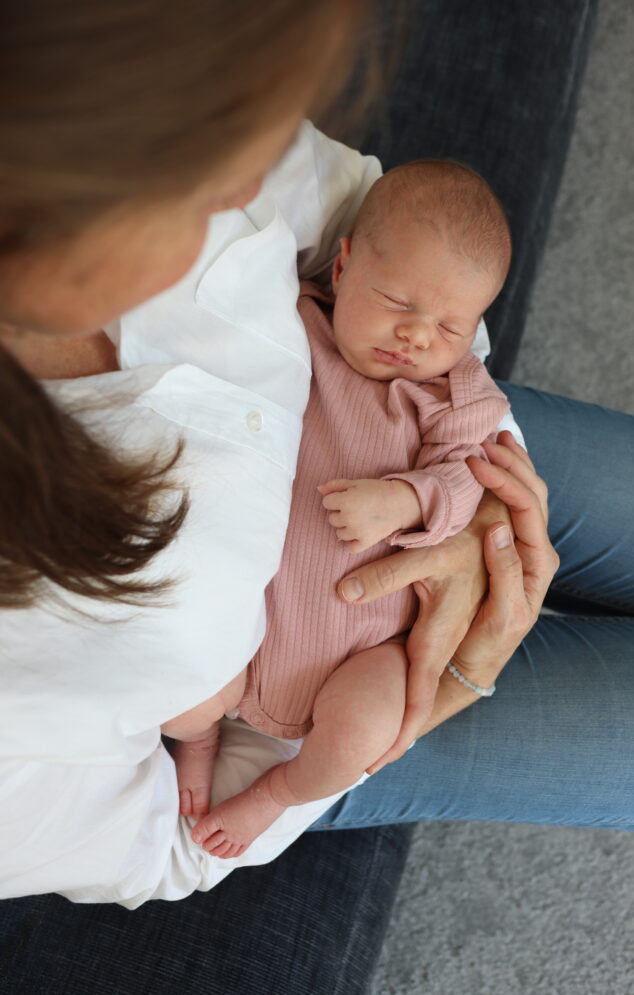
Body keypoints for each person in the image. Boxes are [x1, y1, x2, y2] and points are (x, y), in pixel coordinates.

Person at [2, 1, 634, 995]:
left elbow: (379, 222)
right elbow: (163, 841)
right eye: (203, 178)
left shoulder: (111, 68)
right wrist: (426, 692)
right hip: (318, 712)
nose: (249, 192)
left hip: (431, 433)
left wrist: (464, 486)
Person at [166, 160, 512, 859]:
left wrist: (407, 498)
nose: (417, 336)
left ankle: (275, 793)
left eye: (450, 325)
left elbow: (467, 478)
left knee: (362, 736)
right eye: (397, 301)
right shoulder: (291, 324)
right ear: (343, 265)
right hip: (241, 624)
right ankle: (198, 742)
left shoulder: (451, 396)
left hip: (363, 651)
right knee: (179, 687)